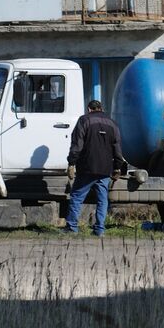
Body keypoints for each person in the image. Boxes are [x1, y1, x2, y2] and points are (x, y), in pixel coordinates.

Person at [66, 99, 128, 236]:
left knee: (77, 197)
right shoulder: (113, 123)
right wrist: (117, 167)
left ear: (89, 109)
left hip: (86, 167)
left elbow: (77, 144)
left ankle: (72, 227)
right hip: (105, 169)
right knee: (102, 199)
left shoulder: (84, 120)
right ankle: (100, 229)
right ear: (101, 108)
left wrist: (71, 162)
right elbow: (117, 148)